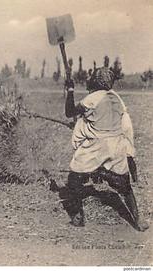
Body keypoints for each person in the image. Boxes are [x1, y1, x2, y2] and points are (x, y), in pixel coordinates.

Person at [62, 67, 148, 231]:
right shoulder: (116, 98)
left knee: (74, 179)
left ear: (95, 80)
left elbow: (69, 112)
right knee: (125, 186)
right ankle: (138, 221)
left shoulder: (92, 98)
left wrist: (71, 90)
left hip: (96, 147)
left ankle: (78, 217)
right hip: (116, 146)